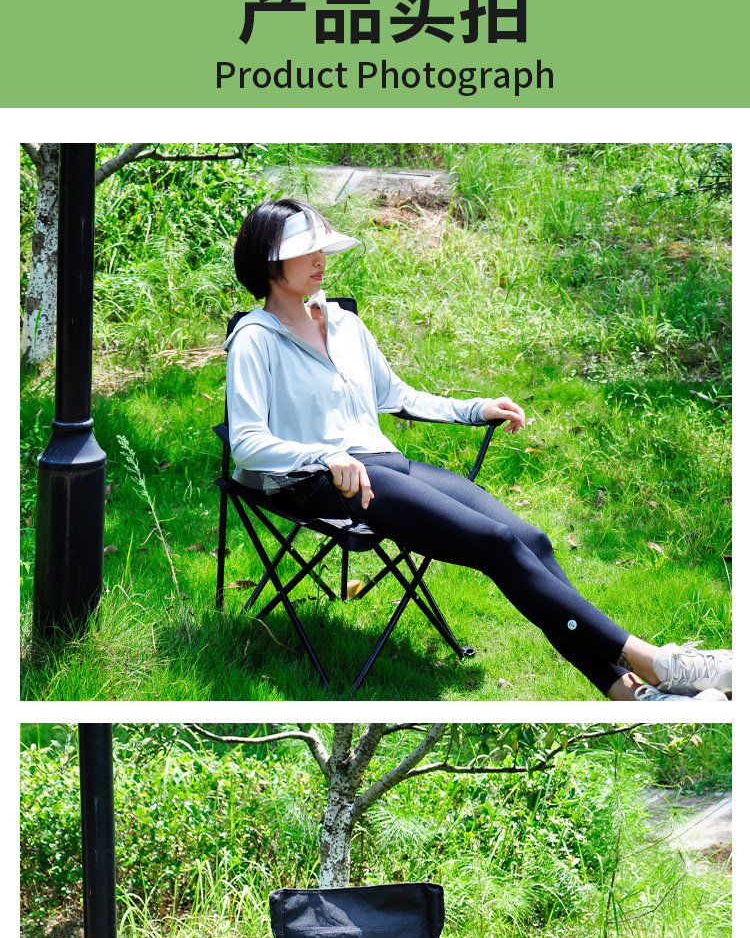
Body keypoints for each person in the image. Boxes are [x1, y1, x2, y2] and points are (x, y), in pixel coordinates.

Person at [225, 197, 731, 703]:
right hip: (319, 480)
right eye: (306, 251)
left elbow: (396, 396)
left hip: (382, 464)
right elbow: (247, 443)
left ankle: (630, 692)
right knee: (495, 543)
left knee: (530, 539)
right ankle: (657, 663)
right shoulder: (255, 339)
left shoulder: (343, 324)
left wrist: (475, 409)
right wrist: (324, 457)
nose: (321, 259)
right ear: (269, 263)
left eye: (322, 248)